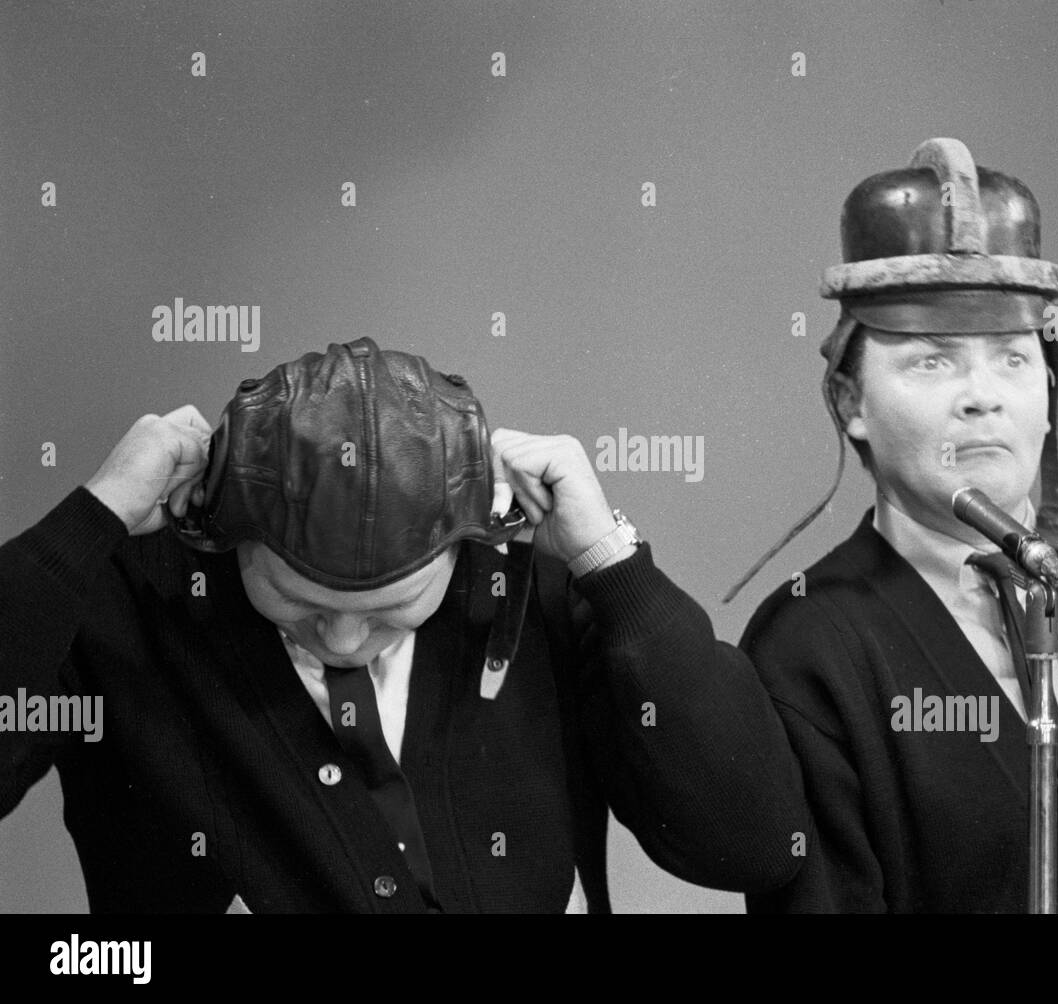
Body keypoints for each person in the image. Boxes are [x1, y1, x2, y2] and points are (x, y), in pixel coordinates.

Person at [0, 336, 805, 913]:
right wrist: (88, 525)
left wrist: (611, 567)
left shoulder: (536, 595)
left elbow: (753, 843)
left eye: (389, 611)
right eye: (299, 603)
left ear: (470, 544)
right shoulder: (131, 606)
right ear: (221, 530)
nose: (344, 639)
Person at [727, 138, 1058, 913]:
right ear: (851, 403)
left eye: (1013, 358)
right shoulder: (810, 644)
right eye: (931, 360)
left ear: (1049, 390)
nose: (983, 396)